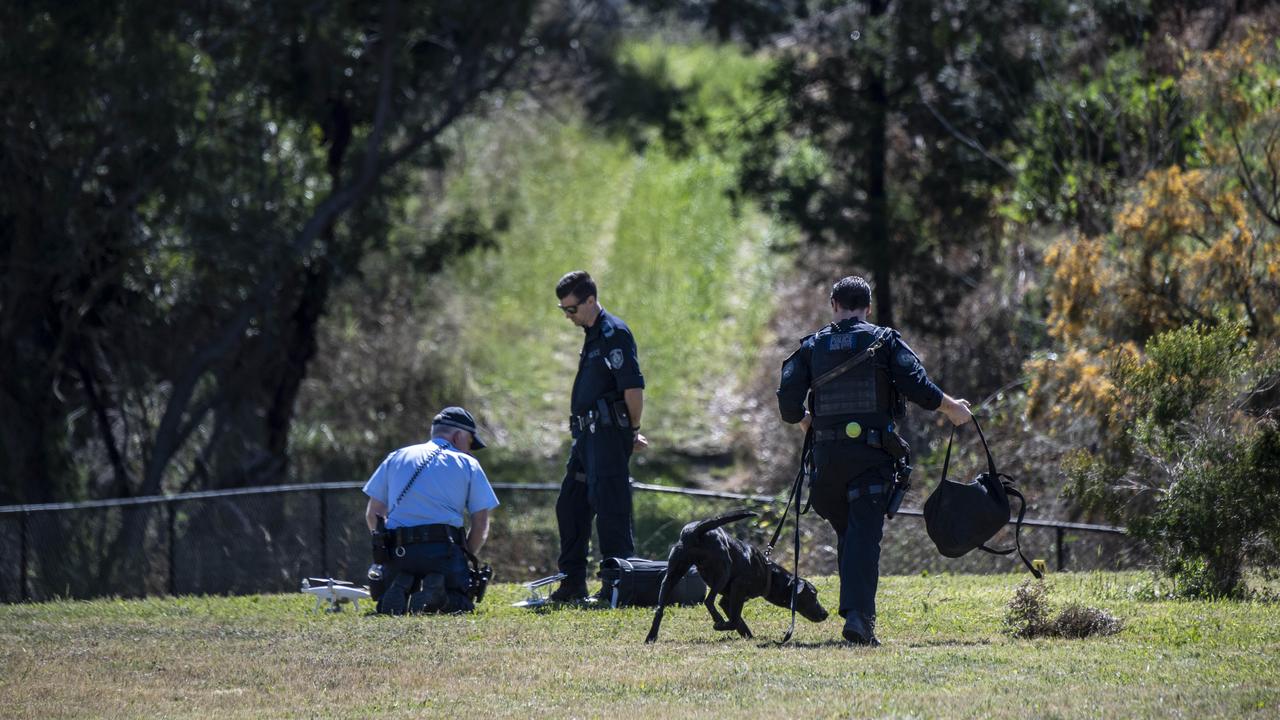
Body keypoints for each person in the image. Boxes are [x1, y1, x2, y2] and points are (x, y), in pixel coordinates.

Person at [776, 276, 972, 645]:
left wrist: (808, 423)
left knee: (851, 534)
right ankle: (858, 618)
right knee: (864, 535)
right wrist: (952, 408)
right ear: (868, 307)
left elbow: (788, 405)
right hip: (870, 457)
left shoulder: (812, 346)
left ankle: (855, 611)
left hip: (827, 464)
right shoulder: (885, 341)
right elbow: (918, 386)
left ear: (834, 304)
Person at [549, 270, 649, 602]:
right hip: (587, 438)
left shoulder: (613, 333)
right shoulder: (592, 334)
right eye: (563, 310)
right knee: (570, 505)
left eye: (572, 309)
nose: (568, 316)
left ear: (590, 300)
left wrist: (631, 432)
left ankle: (616, 584)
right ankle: (572, 581)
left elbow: (632, 388)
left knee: (611, 508)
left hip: (607, 435)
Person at [363, 406, 499, 614]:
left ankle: (402, 586)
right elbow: (480, 524)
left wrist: (386, 549)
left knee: (393, 592)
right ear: (457, 436)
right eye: (470, 442)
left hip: (400, 551)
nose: (469, 449)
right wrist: (465, 556)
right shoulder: (468, 463)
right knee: (460, 602)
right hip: (443, 551)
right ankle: (439, 596)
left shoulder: (396, 457)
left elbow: (373, 513)